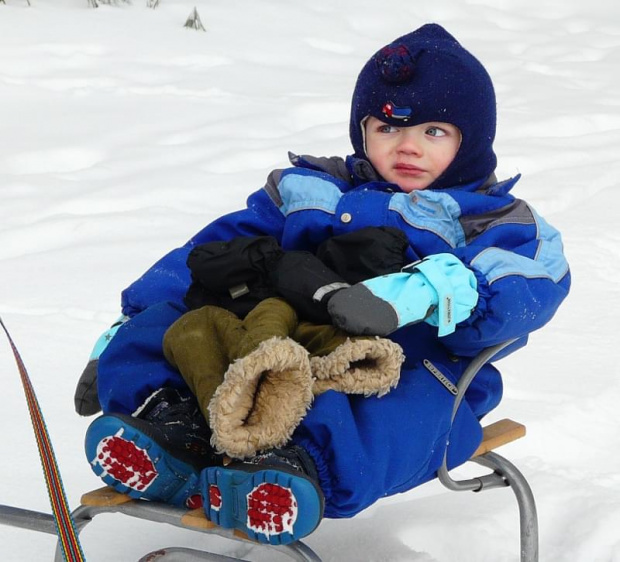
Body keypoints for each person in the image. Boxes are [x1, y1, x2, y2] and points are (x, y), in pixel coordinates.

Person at [79, 23, 570, 546]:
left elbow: (530, 286)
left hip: (413, 361)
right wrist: (130, 318)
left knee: (394, 402)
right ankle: (170, 430)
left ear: (471, 142)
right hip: (275, 336)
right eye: (385, 128)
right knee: (176, 328)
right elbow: (207, 255)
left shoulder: (495, 220)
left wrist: (427, 290)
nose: (406, 147)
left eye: (433, 132)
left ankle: (295, 468)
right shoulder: (311, 188)